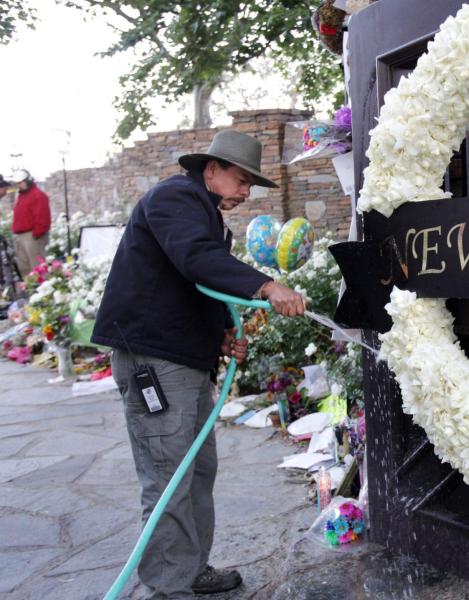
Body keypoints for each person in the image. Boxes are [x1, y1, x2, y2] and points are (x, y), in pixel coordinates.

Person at [92, 130, 306, 598]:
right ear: (210, 169)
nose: (246, 193)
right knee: (169, 475)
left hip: (179, 361)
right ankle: (170, 588)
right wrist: (267, 287)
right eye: (241, 180)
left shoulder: (199, 211)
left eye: (251, 184)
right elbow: (196, 259)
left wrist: (220, 339)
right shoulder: (174, 198)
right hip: (155, 361)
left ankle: (189, 569)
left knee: (196, 468)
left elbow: (193, 284)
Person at [9, 169, 51, 276]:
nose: (20, 185)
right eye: (18, 183)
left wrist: (38, 233)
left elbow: (42, 216)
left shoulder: (38, 195)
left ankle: (42, 289)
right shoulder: (21, 196)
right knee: (24, 267)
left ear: (28, 180)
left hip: (32, 235)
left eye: (21, 182)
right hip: (21, 235)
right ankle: (30, 289)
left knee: (37, 266)